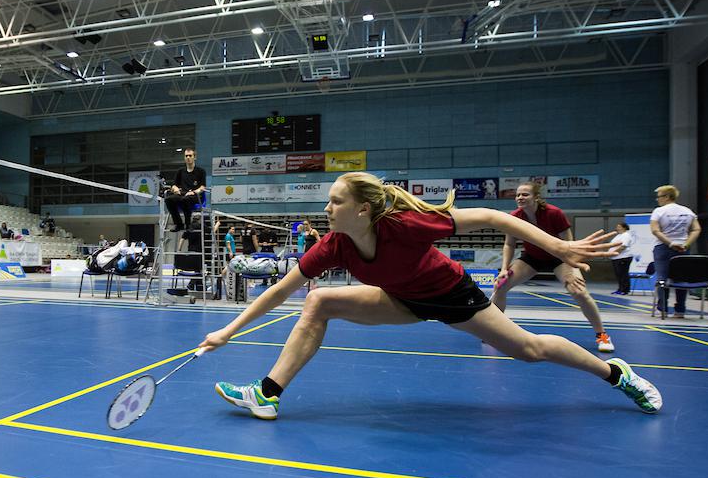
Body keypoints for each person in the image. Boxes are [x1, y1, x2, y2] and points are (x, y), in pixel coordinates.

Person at [199, 172, 661, 421]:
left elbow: (494, 218)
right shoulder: (333, 245)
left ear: (362, 209)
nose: (327, 209)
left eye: (335, 201)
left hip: (452, 296)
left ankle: (616, 375)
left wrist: (557, 246)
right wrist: (228, 330)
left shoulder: (405, 226)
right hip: (401, 299)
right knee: (318, 302)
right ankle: (267, 394)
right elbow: (282, 290)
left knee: (531, 350)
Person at [490, 181, 615, 353]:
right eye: (518, 194)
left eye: (525, 194)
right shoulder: (515, 216)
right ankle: (494, 332)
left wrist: (571, 270)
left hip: (559, 257)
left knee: (579, 291)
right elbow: (509, 245)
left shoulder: (554, 213)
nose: (520, 197)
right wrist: (504, 269)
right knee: (500, 286)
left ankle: (602, 335)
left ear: (536, 197)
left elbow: (569, 244)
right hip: (532, 257)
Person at [650, 185, 701, 318]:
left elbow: (655, 230)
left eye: (659, 196)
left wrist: (670, 243)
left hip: (663, 248)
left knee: (662, 278)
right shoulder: (688, 211)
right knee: (681, 279)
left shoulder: (659, 211)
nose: (657, 200)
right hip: (683, 248)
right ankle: (680, 311)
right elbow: (696, 229)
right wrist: (686, 244)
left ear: (667, 196)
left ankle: (663, 309)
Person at [165, 148, 206, 231]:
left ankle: (188, 224)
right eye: (186, 156)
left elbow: (202, 187)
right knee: (169, 199)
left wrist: (194, 192)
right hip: (183, 194)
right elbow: (174, 185)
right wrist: (175, 188)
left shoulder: (201, 171)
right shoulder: (180, 171)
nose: (188, 157)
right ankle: (179, 224)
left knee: (185, 199)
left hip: (196, 196)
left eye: (190, 156)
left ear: (194, 157)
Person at [610, 222, 635, 295]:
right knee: (618, 274)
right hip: (616, 258)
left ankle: (625, 290)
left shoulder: (626, 235)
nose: (617, 228)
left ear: (624, 228)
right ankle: (620, 288)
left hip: (623, 257)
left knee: (623, 273)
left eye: (619, 227)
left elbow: (623, 246)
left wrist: (613, 252)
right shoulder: (618, 236)